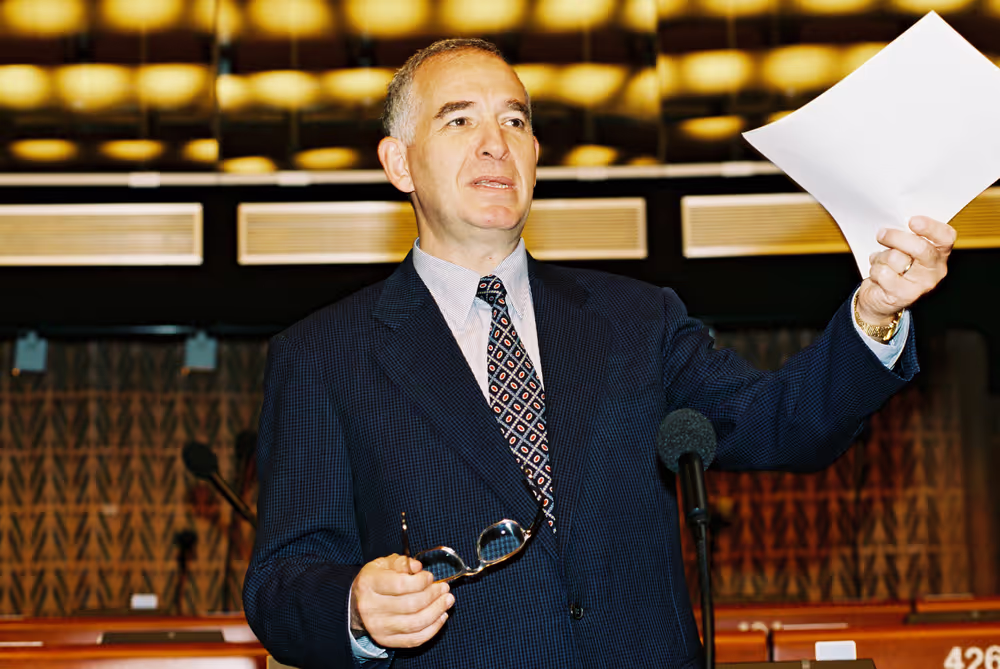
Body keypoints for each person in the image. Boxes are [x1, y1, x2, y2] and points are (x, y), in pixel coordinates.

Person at [243, 38, 954, 669]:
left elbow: (778, 421)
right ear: (398, 162)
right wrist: (356, 606)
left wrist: (876, 315)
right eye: (459, 119)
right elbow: (281, 581)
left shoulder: (636, 318)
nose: (496, 142)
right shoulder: (323, 356)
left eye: (515, 121)